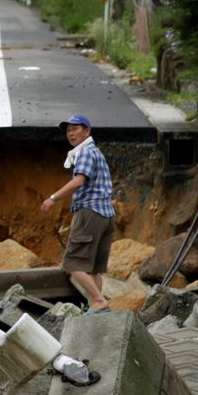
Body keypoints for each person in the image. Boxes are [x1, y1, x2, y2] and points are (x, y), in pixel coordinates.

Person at [41, 113, 114, 312]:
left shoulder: (85, 153)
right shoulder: (96, 152)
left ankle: (99, 300)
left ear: (87, 131)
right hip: (106, 215)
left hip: (90, 212)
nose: (70, 133)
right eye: (68, 130)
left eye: (75, 128)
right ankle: (96, 307)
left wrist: (53, 198)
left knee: (71, 264)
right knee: (94, 268)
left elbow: (79, 181)